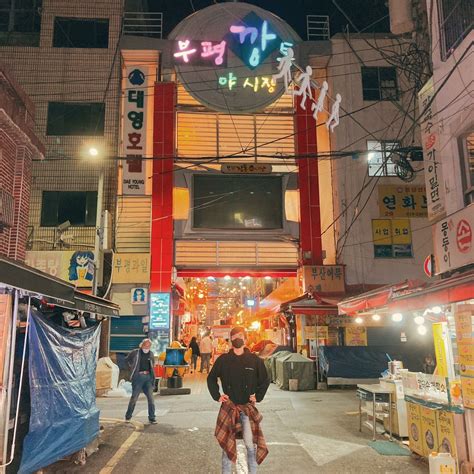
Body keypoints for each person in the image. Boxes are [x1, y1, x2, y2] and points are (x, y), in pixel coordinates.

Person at [207, 326, 270, 474]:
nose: (237, 339)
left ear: (245, 339)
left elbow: (265, 380)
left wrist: (258, 396)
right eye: (234, 337)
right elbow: (211, 378)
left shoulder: (255, 360)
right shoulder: (223, 360)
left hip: (247, 409)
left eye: (240, 336)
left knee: (250, 445)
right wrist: (217, 396)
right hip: (229, 408)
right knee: (227, 448)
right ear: (231, 341)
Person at [125, 338, 157, 424]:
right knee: (134, 398)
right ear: (141, 345)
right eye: (145, 345)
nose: (147, 347)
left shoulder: (151, 354)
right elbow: (127, 360)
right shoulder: (135, 352)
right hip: (138, 377)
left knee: (151, 399)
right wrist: (131, 369)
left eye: (149, 346)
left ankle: (152, 418)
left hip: (148, 378)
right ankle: (128, 416)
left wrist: (152, 377)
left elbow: (152, 365)